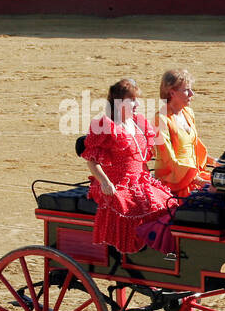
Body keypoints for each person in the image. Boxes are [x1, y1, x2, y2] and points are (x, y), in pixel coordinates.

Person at [82, 78, 178, 255]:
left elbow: (142, 157)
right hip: (116, 182)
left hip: (141, 180)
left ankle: (153, 251)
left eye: (137, 99)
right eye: (131, 100)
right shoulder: (105, 125)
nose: (137, 104)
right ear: (118, 103)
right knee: (136, 207)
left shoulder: (138, 122)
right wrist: (105, 182)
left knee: (168, 203)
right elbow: (91, 160)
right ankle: (133, 254)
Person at [153, 69, 214, 199]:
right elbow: (168, 159)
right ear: (172, 92)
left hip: (194, 174)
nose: (192, 94)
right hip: (174, 180)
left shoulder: (188, 113)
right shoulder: (161, 119)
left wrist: (216, 162)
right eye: (186, 90)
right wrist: (195, 178)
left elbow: (195, 147)